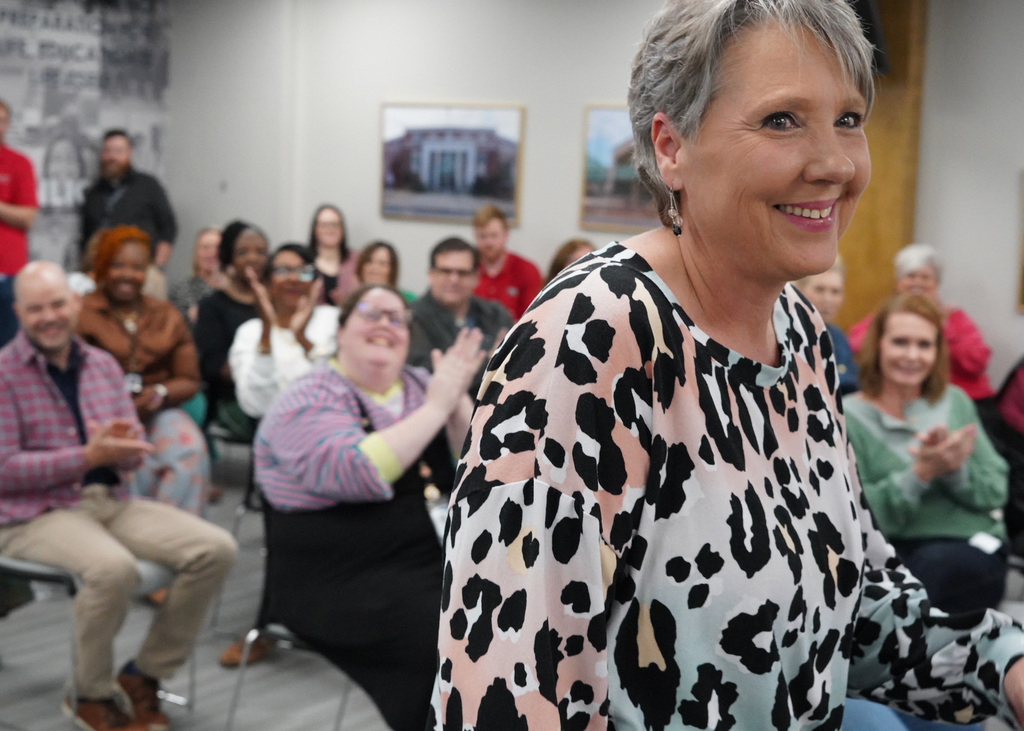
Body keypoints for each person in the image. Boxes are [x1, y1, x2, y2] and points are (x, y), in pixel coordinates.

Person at [430, 1, 1024, 729]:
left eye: (848, 118)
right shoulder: (588, 341)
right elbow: (508, 693)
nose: (836, 164)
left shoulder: (798, 329)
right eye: (782, 120)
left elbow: (850, 600)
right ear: (671, 147)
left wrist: (1004, 663)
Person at [0, 261, 236, 731]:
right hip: (31, 514)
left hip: (107, 500)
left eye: (57, 304)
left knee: (216, 549)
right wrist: (86, 456)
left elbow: (130, 451)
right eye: (36, 309)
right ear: (19, 314)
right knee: (113, 569)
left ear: (75, 304)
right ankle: (90, 694)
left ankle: (143, 675)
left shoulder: (102, 365)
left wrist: (127, 451)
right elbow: (4, 470)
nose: (49, 317)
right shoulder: (4, 374)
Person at [254, 284, 484, 731]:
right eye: (370, 313)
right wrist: (437, 405)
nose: (385, 325)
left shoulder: (420, 385)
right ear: (340, 330)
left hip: (426, 561)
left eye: (397, 319)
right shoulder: (307, 397)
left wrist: (456, 399)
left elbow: (480, 464)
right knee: (455, 641)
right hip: (337, 578)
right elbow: (356, 471)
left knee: (508, 618)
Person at [846, 293, 1008, 613]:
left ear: (937, 352)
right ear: (878, 345)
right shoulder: (848, 415)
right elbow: (858, 518)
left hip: (969, 545)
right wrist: (919, 473)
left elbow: (996, 490)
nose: (912, 355)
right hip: (890, 552)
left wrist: (954, 469)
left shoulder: (955, 400)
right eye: (900, 342)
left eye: (924, 345)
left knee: (925, 574)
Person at [75, 226, 210, 516]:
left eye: (137, 268)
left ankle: (178, 530)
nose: (128, 275)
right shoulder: (81, 313)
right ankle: (131, 529)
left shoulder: (166, 315)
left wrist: (159, 393)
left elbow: (189, 379)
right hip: (100, 416)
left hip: (156, 408)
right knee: (131, 463)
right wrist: (116, 409)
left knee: (189, 447)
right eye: (117, 265)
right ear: (102, 266)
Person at [848, 243, 996, 407]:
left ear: (936, 284)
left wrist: (943, 327)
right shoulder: (886, 316)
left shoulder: (953, 317)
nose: (917, 283)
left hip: (968, 400)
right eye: (911, 276)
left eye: (925, 277)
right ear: (898, 282)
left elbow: (977, 363)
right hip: (908, 399)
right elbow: (858, 347)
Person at [229, 243, 339, 419]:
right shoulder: (250, 332)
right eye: (283, 271)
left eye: (303, 271)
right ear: (267, 283)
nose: (294, 278)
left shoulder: (334, 319)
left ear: (315, 282)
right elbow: (255, 405)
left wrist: (302, 339)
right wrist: (266, 333)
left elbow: (343, 385)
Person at [193, 220, 268, 442]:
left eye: (261, 252)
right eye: (243, 252)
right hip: (231, 399)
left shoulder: (274, 303)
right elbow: (213, 365)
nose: (253, 258)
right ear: (229, 258)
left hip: (277, 393)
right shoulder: (213, 306)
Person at [408, 237, 512, 395]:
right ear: (431, 274)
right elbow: (428, 375)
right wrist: (491, 362)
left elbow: (515, 365)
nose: (454, 279)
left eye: (462, 273)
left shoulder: (496, 314)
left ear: (476, 277)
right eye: (445, 271)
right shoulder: (412, 318)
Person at [79, 130, 177, 271]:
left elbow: (168, 227)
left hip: (141, 269)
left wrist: (157, 267)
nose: (112, 157)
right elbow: (85, 238)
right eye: (107, 151)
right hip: (100, 271)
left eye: (118, 151)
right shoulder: (93, 193)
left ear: (130, 152)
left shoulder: (148, 185)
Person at [0, 98, 38, 348]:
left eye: (1, 121)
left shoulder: (19, 162)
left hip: (7, 271)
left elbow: (27, 217)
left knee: (7, 346)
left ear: (7, 125)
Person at [795, 256, 858, 394]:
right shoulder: (785, 333)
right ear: (798, 291)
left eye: (835, 292)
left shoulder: (837, 337)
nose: (827, 299)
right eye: (819, 289)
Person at [471, 204, 542, 320]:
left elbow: (531, 318)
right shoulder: (466, 270)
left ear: (505, 234)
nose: (488, 242)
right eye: (482, 236)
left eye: (494, 236)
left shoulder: (527, 270)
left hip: (514, 330)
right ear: (475, 236)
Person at [168, 227, 223, 328]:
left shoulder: (236, 290)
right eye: (206, 247)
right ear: (197, 253)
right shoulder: (179, 291)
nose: (212, 253)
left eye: (217, 247)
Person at [308, 203, 357, 304]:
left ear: (342, 229)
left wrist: (351, 303)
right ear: (315, 229)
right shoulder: (303, 261)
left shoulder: (357, 260)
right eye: (324, 224)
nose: (330, 229)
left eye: (335, 224)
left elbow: (367, 300)